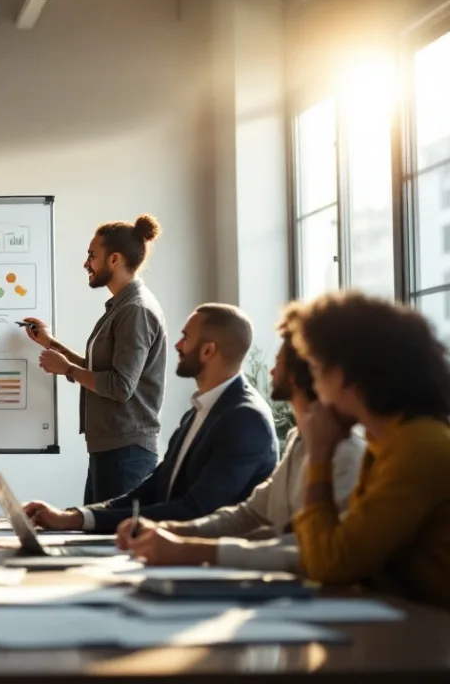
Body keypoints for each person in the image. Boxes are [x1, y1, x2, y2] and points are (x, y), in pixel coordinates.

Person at [119, 303, 365, 571]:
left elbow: (310, 552)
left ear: (299, 374)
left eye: (279, 362)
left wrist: (190, 549)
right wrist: (169, 531)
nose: (270, 372)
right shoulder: (300, 440)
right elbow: (249, 514)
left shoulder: (345, 453)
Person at [23, 303, 278, 534]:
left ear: (208, 350)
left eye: (185, 338)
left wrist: (74, 521)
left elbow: (195, 510)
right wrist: (73, 516)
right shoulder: (200, 411)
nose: (177, 345)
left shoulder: (245, 419)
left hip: (208, 570)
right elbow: (154, 489)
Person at [289, 292, 450, 610]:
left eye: (317, 369)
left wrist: (319, 456)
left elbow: (330, 565)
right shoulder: (391, 441)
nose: (315, 389)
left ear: (346, 375)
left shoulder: (418, 447)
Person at [22, 214, 168, 504]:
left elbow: (119, 386)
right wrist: (51, 343)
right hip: (111, 449)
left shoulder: (134, 310)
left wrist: (66, 369)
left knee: (111, 543)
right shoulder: (121, 307)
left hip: (126, 453)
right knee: (95, 535)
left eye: (92, 256)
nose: (86, 263)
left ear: (114, 260)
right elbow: (100, 370)